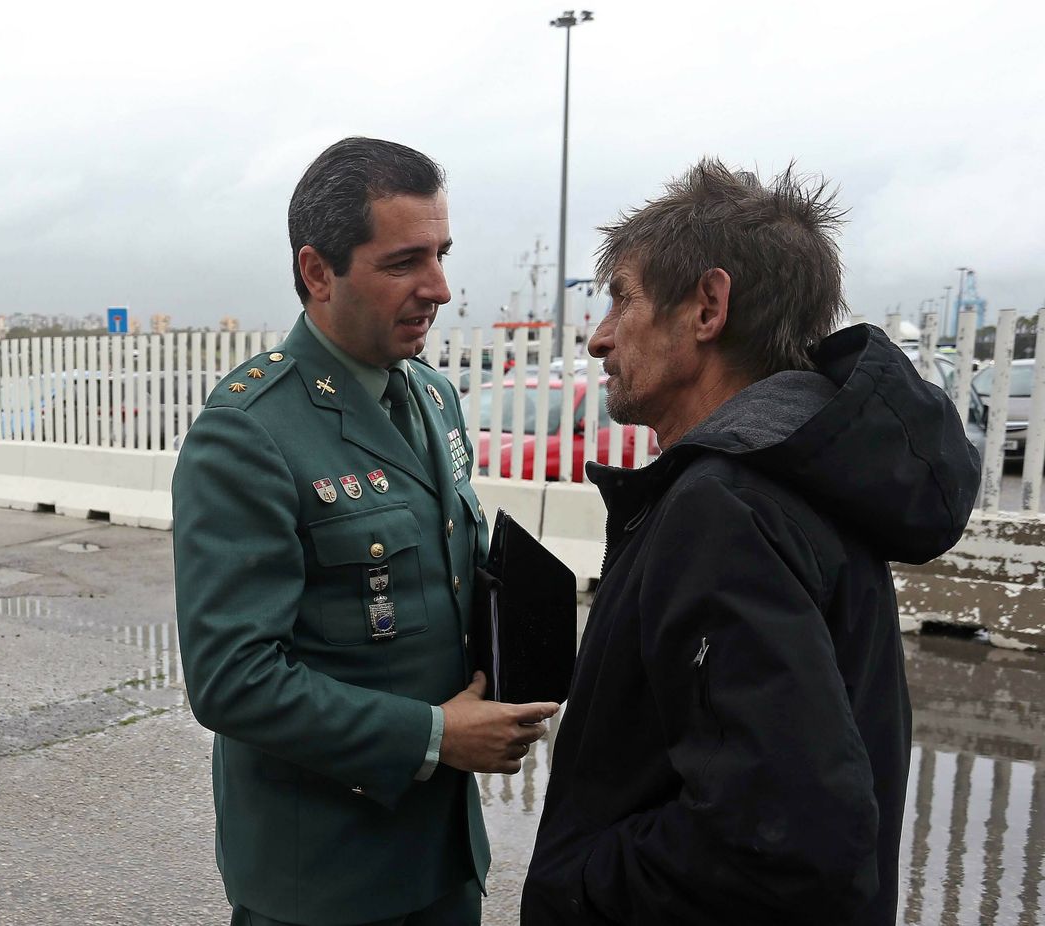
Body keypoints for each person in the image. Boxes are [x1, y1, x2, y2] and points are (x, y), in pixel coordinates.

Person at [521, 160, 981, 926]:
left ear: (708, 306)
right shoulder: (802, 473)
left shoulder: (725, 508)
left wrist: (578, 887)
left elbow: (788, 839)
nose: (599, 338)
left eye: (622, 300)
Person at [173, 136, 558, 926]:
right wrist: (434, 736)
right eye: (403, 263)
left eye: (442, 254)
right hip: (324, 878)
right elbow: (232, 678)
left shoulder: (433, 397)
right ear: (318, 272)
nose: (440, 288)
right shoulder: (249, 432)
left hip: (441, 857)